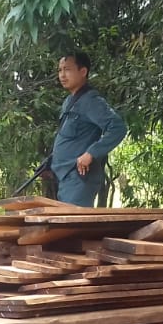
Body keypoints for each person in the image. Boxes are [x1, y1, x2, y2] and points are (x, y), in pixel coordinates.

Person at [50, 51, 127, 207]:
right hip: (65, 177)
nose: (62, 75)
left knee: (74, 228)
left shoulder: (91, 101)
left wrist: (91, 153)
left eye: (68, 69)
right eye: (60, 70)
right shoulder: (69, 102)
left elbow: (118, 128)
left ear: (83, 71)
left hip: (79, 178)